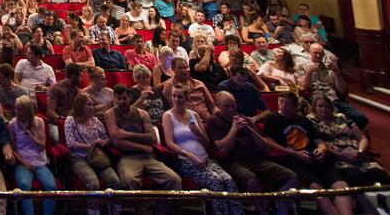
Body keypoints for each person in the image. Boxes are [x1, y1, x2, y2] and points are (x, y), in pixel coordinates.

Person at [259, 91, 352, 215]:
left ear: (295, 106)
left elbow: (318, 141)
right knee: (316, 187)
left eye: (288, 104)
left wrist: (322, 149)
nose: (283, 106)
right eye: (281, 102)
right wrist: (293, 153)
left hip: (314, 157)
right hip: (294, 160)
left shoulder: (302, 119)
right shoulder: (272, 118)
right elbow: (269, 141)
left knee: (341, 185)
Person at [206, 91, 297, 215]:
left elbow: (266, 148)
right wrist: (234, 128)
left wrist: (250, 129)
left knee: (291, 176)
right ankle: (262, 212)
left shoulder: (243, 118)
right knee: (251, 179)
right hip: (234, 162)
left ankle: (281, 211)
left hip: (256, 160)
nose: (231, 109)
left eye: (233, 105)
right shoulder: (214, 121)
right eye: (227, 106)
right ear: (218, 105)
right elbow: (223, 149)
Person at [161, 84, 241, 215]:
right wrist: (189, 155)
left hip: (205, 158)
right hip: (185, 161)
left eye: (180, 96)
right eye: (174, 96)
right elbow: (169, 143)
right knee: (215, 181)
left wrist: (199, 134)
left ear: (186, 98)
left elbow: (207, 143)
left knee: (228, 180)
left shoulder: (194, 115)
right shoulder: (168, 116)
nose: (176, 99)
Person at [104, 84, 180, 207]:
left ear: (130, 98)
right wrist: (142, 146)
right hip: (127, 157)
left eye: (124, 98)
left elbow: (152, 138)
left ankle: (164, 211)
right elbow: (116, 141)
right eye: (119, 99)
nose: (122, 101)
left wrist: (127, 134)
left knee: (174, 179)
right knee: (129, 180)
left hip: (148, 158)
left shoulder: (142, 113)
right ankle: (141, 210)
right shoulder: (111, 114)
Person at [308, 95, 389, 187]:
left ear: (331, 107)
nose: (324, 109)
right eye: (320, 106)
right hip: (339, 159)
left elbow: (362, 138)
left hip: (359, 156)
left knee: (382, 177)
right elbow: (320, 144)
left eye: (326, 106)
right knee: (355, 178)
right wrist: (342, 155)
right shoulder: (311, 120)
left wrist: (360, 151)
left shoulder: (341, 117)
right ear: (314, 107)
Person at [64, 92, 121, 215]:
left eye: (92, 104)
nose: (92, 107)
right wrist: (90, 146)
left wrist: (103, 141)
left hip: (97, 157)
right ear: (79, 106)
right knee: (93, 182)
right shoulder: (71, 120)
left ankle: (115, 209)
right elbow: (70, 143)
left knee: (115, 181)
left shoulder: (95, 121)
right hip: (79, 158)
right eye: (88, 104)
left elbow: (106, 137)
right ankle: (93, 211)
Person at [8, 95, 57, 215]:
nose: (16, 112)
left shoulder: (39, 122)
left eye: (19, 109)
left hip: (39, 161)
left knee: (51, 187)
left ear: (26, 110)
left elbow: (41, 146)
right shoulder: (12, 124)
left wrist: (30, 134)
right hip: (23, 162)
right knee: (24, 186)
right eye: (16, 108)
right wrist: (24, 163)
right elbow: (13, 149)